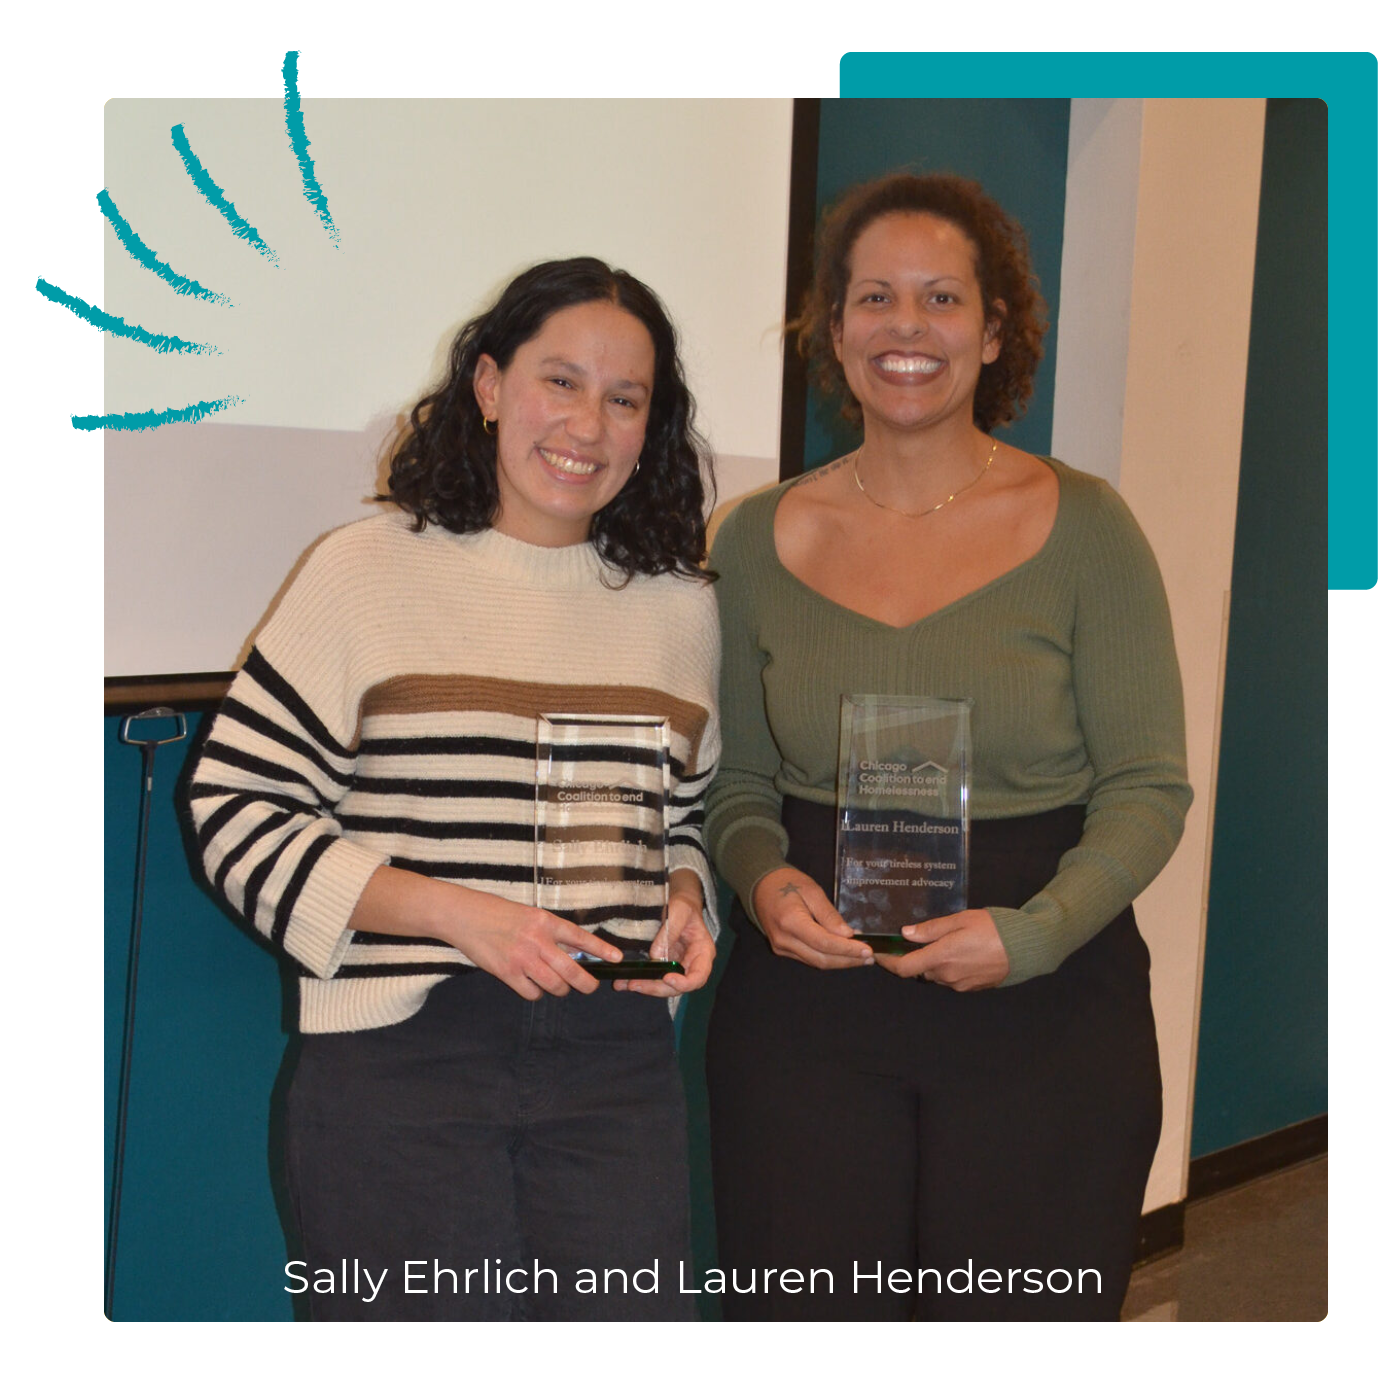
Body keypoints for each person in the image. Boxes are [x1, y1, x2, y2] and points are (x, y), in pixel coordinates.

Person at [187, 257, 720, 1321]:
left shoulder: (678, 609)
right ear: (486, 385)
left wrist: (686, 896)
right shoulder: (363, 570)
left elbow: (682, 817)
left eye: (625, 398)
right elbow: (234, 809)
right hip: (400, 1064)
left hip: (614, 1069)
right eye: (558, 381)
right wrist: (453, 913)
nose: (588, 423)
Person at [703, 173, 1192, 1321]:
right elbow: (733, 782)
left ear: (993, 327)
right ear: (834, 331)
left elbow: (1145, 786)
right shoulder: (754, 543)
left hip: (1045, 1008)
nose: (905, 327)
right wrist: (762, 880)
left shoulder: (1086, 526)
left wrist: (1033, 935)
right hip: (809, 1015)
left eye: (939, 298)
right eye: (873, 297)